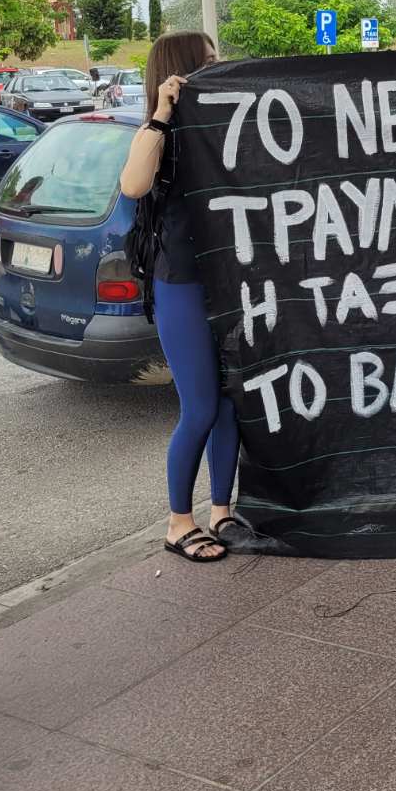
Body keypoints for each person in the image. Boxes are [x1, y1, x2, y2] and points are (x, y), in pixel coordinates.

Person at [119, 31, 238, 562]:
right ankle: (177, 522)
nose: (217, 66)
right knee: (201, 407)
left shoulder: (213, 131)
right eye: (207, 61)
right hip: (181, 287)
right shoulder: (157, 132)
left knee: (229, 404)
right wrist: (163, 113)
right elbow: (133, 186)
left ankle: (222, 511)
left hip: (225, 283)